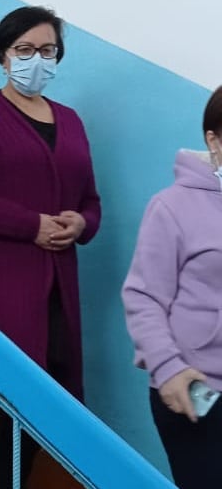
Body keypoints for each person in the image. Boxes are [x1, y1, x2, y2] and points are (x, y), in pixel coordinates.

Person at [0, 6, 101, 487]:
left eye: (47, 51)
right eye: (25, 49)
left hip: (59, 275)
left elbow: (91, 200)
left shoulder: (70, 120)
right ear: (3, 56)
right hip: (1, 271)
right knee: (13, 391)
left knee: (54, 383)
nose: (37, 60)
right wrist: (31, 225)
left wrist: (81, 223)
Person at [122, 87, 222, 489]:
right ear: (213, 139)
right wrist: (168, 370)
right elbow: (143, 297)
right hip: (196, 388)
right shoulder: (171, 206)